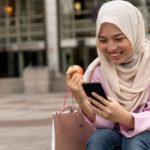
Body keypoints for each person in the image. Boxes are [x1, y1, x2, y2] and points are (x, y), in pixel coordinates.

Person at [66, 0, 150, 150]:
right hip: (117, 133)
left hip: (146, 133)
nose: (111, 47)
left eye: (119, 39)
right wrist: (82, 100)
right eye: (103, 40)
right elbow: (105, 124)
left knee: (134, 143)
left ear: (134, 33)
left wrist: (126, 118)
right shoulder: (99, 71)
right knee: (99, 138)